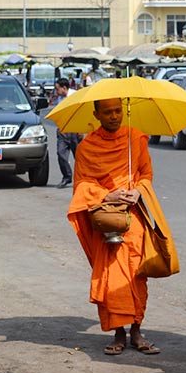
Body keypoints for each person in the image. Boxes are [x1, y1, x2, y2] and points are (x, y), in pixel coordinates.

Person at [68, 97, 170, 355]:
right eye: (107, 112)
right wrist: (107, 195)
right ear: (97, 114)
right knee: (111, 275)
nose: (114, 116)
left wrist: (138, 191)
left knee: (137, 275)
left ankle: (137, 331)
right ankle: (118, 333)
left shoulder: (135, 139)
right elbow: (81, 184)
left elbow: (146, 174)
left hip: (133, 217)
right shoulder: (87, 146)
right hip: (107, 219)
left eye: (117, 111)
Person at [52, 78, 82, 188]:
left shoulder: (76, 96)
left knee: (79, 157)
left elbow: (80, 113)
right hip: (63, 130)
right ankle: (67, 176)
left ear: (64, 88)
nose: (56, 91)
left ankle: (82, 178)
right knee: (61, 153)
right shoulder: (59, 99)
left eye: (57, 89)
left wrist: (80, 129)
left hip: (74, 130)